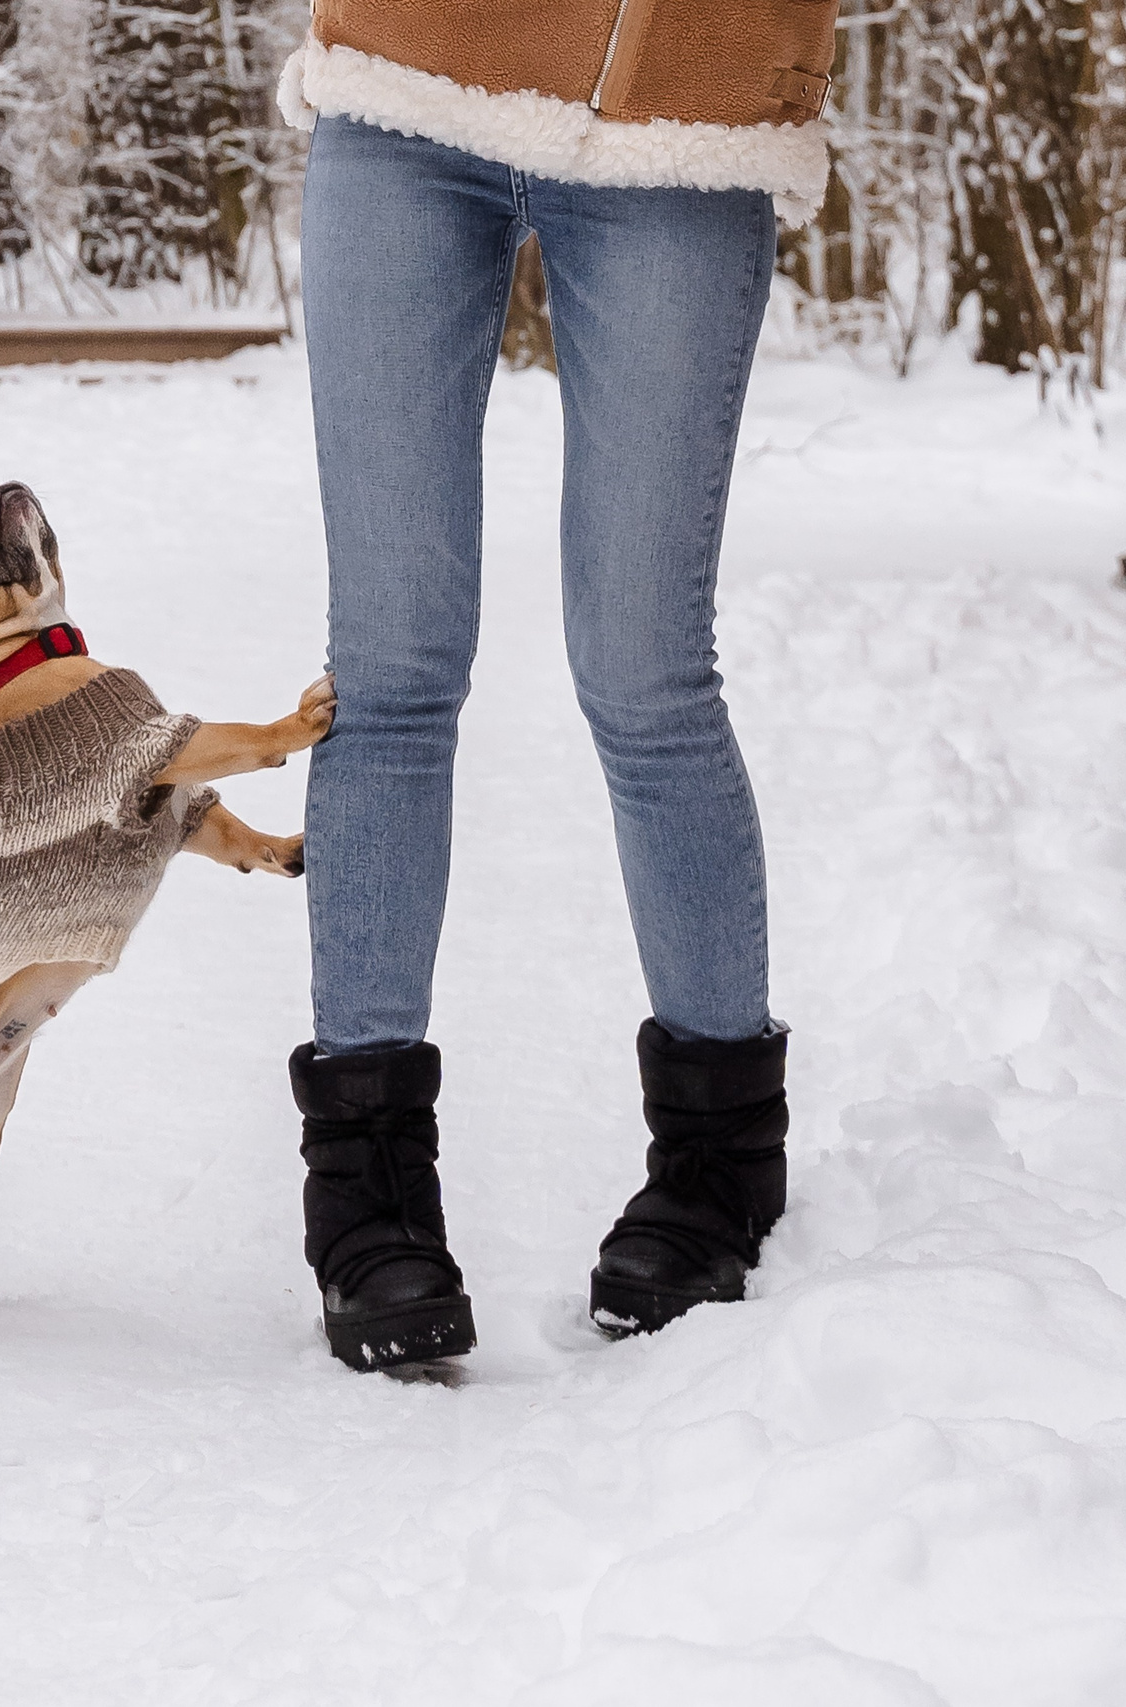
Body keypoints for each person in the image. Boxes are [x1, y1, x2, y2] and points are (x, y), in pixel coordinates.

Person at [277, 4, 831, 1370]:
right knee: (394, 664)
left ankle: (718, 1161)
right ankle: (367, 1187)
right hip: (411, 84)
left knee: (647, 672)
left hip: (687, 119)